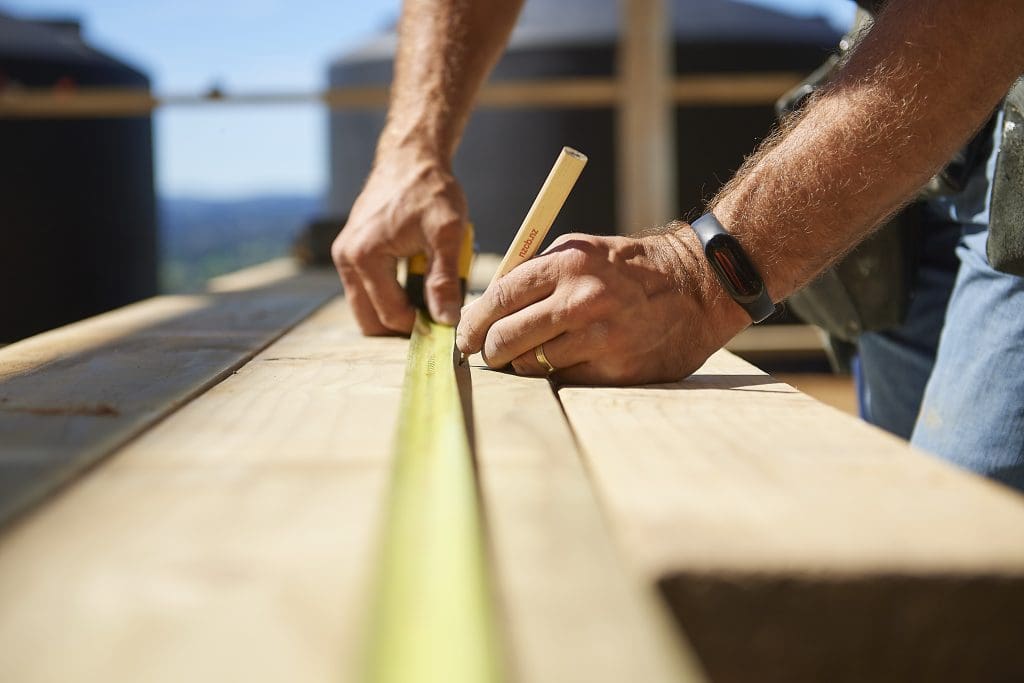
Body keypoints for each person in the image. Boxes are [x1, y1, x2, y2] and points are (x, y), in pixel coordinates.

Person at [332, 0, 1024, 489]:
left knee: (969, 535)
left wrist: (702, 276)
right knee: (902, 505)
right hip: (913, 81)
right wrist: (413, 148)